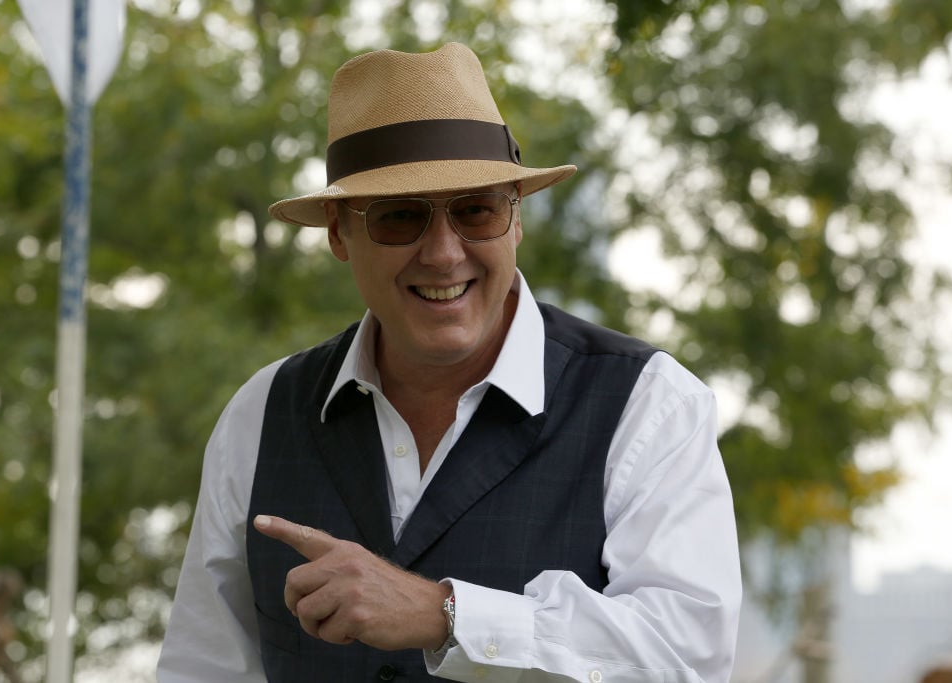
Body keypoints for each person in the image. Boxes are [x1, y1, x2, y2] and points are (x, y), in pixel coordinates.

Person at [157, 42, 741, 683]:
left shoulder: (650, 405)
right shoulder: (260, 414)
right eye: (399, 217)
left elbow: (687, 657)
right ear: (336, 233)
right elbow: (201, 667)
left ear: (515, 219)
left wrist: (448, 615)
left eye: (476, 210)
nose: (442, 253)